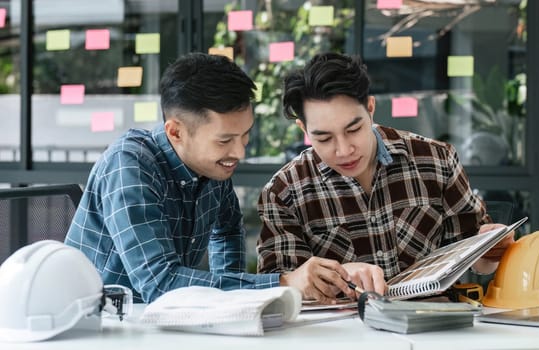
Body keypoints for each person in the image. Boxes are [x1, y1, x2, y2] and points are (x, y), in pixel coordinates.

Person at [65, 52, 353, 304]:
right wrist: (284, 282)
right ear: (175, 132)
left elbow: (227, 230)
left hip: (168, 321)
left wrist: (234, 304)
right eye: (225, 140)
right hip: (99, 324)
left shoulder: (212, 164)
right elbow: (160, 284)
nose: (238, 152)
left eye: (245, 135)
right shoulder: (130, 165)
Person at [256, 52, 514, 301]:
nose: (344, 150)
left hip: (434, 330)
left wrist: (490, 249)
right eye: (323, 138)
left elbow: (478, 262)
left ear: (370, 107)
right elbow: (276, 290)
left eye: (354, 129)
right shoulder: (284, 191)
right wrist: (324, 277)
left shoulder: (436, 160)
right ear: (304, 129)